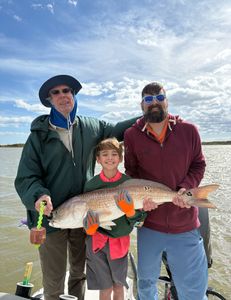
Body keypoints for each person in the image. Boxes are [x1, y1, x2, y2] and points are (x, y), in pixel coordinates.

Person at [14, 75, 139, 300]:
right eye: (56, 93)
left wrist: (152, 114)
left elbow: (121, 129)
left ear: (74, 95)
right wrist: (39, 194)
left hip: (85, 217)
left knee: (79, 274)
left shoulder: (92, 126)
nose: (63, 96)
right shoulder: (38, 137)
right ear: (49, 100)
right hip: (53, 218)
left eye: (67, 90)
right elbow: (25, 177)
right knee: (54, 278)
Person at [124, 82, 208, 300]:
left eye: (159, 98)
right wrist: (141, 201)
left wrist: (185, 189)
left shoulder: (189, 130)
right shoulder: (131, 136)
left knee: (192, 290)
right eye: (149, 99)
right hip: (150, 225)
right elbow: (131, 173)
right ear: (141, 105)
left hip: (185, 224)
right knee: (145, 285)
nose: (155, 103)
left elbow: (199, 164)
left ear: (167, 101)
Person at [83, 137, 146, 300]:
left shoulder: (129, 182)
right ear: (98, 159)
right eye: (104, 154)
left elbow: (140, 219)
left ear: (120, 158)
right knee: (104, 288)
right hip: (96, 243)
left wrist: (131, 212)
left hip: (119, 242)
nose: (109, 158)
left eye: (114, 154)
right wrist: (89, 228)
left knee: (118, 286)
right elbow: (84, 216)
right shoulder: (91, 185)